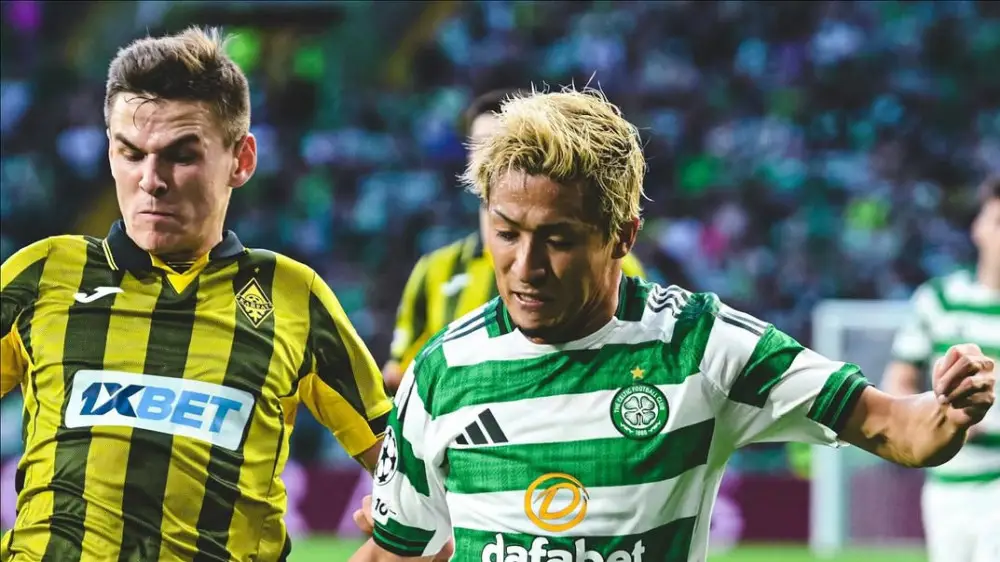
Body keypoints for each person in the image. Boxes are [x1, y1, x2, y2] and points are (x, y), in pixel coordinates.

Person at [349, 87, 996, 562]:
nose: (526, 266)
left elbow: (897, 428)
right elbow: (393, 551)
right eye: (506, 233)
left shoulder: (702, 346)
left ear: (622, 236)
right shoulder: (444, 371)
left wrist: (947, 411)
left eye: (558, 239)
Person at [0, 27, 391, 562]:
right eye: (130, 153)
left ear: (241, 160)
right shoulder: (43, 273)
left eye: (181, 156)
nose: (151, 179)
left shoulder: (291, 296)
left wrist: (400, 530)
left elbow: (406, 469)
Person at [381, 88, 648, 394]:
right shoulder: (435, 270)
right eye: (480, 143)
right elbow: (403, 375)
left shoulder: (612, 264)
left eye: (558, 241)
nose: (526, 269)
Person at [882, 176, 1000, 562]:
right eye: (998, 223)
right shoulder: (939, 300)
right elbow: (899, 380)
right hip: (945, 485)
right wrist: (934, 420)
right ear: (978, 228)